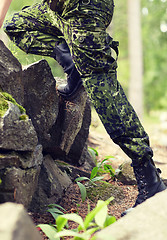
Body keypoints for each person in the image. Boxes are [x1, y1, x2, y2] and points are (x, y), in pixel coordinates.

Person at [1, 0, 166, 216]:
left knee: (103, 89)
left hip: (84, 7)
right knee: (17, 24)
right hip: (57, 10)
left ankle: (149, 176)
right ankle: (74, 65)